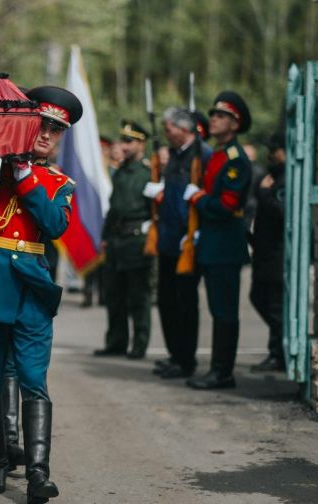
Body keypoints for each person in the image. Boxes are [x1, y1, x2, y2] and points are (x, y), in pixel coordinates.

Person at [0, 85, 78, 502]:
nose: (46, 134)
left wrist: (25, 179)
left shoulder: (59, 182)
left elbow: (54, 225)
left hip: (31, 288)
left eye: (55, 129)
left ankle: (38, 474)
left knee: (33, 380)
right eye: (41, 124)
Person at [183, 91, 252, 390]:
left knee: (224, 312)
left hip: (225, 244)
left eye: (221, 116)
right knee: (217, 309)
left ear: (235, 125)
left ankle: (223, 372)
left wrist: (198, 198)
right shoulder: (218, 155)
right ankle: (218, 369)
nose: (214, 119)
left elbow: (225, 206)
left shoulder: (235, 160)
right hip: (212, 244)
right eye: (213, 114)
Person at [143, 107, 202, 379]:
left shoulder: (200, 155)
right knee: (166, 301)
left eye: (170, 129)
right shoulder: (176, 156)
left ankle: (186, 359)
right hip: (167, 238)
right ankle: (175, 355)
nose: (167, 135)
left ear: (185, 129)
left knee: (184, 303)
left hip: (185, 241)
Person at [94, 119, 153, 359]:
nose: (124, 146)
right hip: (117, 241)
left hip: (137, 241)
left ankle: (139, 345)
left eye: (130, 141)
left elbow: (153, 211)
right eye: (123, 141)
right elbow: (113, 209)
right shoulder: (119, 173)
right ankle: (116, 342)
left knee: (138, 297)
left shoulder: (148, 173)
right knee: (114, 297)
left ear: (141, 144)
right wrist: (106, 237)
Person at [249, 132, 286, 372]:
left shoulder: (285, 179)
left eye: (274, 149)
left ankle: (279, 353)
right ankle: (279, 348)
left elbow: (281, 213)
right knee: (259, 298)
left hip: (276, 253)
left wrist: (264, 194)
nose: (269, 154)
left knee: (273, 304)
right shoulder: (274, 176)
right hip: (264, 251)